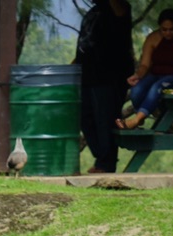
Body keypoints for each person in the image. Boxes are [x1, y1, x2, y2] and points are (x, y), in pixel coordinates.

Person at [73, 0, 135, 173]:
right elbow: (84, 44)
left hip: (109, 76)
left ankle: (106, 164)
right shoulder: (93, 12)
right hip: (87, 74)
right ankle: (102, 158)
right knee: (85, 119)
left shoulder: (119, 8)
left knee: (104, 121)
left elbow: (121, 9)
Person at [117, 9, 173, 130]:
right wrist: (137, 75)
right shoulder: (153, 38)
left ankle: (136, 120)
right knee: (136, 90)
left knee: (157, 87)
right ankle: (141, 116)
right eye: (164, 30)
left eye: (172, 29)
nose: (168, 33)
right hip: (156, 75)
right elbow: (144, 65)